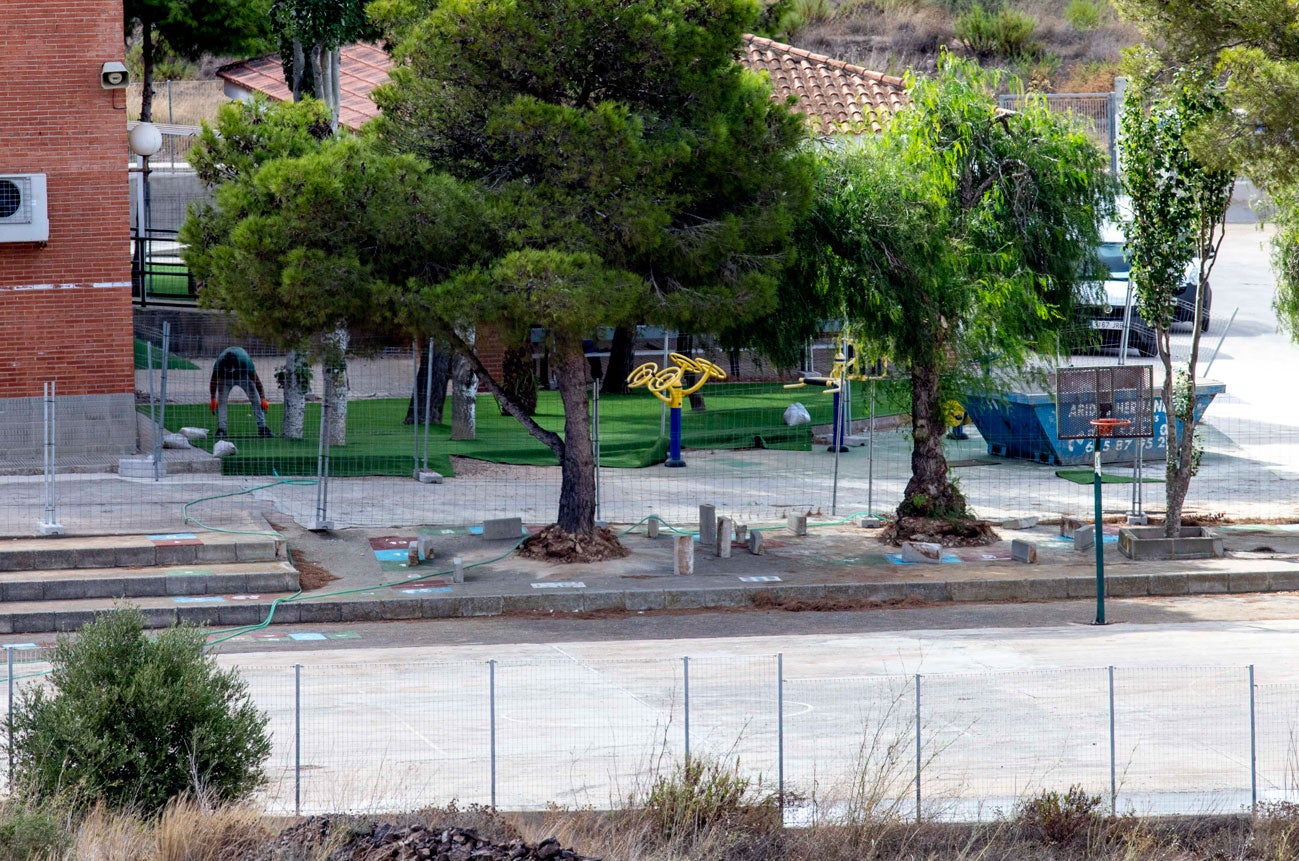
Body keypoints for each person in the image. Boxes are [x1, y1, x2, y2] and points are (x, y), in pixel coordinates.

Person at [209, 347, 272, 439]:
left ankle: (263, 428)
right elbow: (214, 380)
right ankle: (222, 429)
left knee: (256, 399)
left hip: (243, 376)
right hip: (225, 378)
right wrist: (213, 398)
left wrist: (263, 398)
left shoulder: (245, 361)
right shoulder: (219, 363)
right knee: (221, 401)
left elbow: (256, 380)